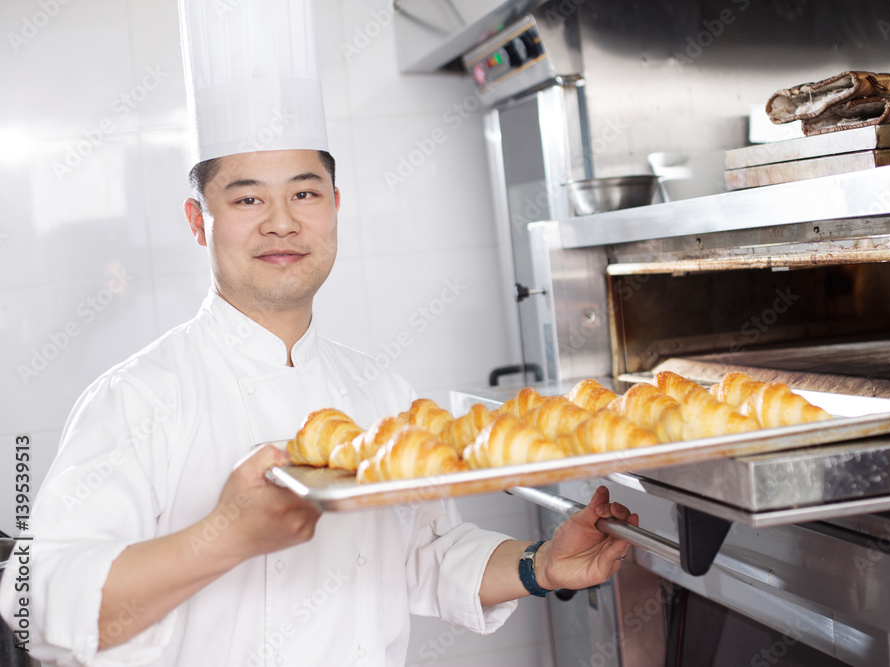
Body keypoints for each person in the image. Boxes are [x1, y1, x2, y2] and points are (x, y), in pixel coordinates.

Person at [0, 146, 639, 667]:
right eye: (247, 197)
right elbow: (38, 604)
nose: (282, 221)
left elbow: (426, 554)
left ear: (334, 207)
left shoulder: (380, 395)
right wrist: (224, 538)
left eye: (304, 193)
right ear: (199, 222)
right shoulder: (138, 396)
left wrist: (542, 566)